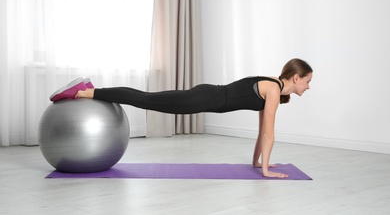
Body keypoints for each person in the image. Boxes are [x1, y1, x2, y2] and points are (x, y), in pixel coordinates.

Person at [49, 58, 313, 178]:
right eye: (307, 81)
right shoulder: (274, 89)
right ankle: (83, 92)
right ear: (296, 77)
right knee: (146, 98)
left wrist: (257, 163)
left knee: (146, 98)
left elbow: (261, 131)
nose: (308, 87)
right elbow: (268, 133)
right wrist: (266, 170)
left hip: (206, 96)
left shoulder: (273, 87)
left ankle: (88, 89)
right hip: (204, 99)